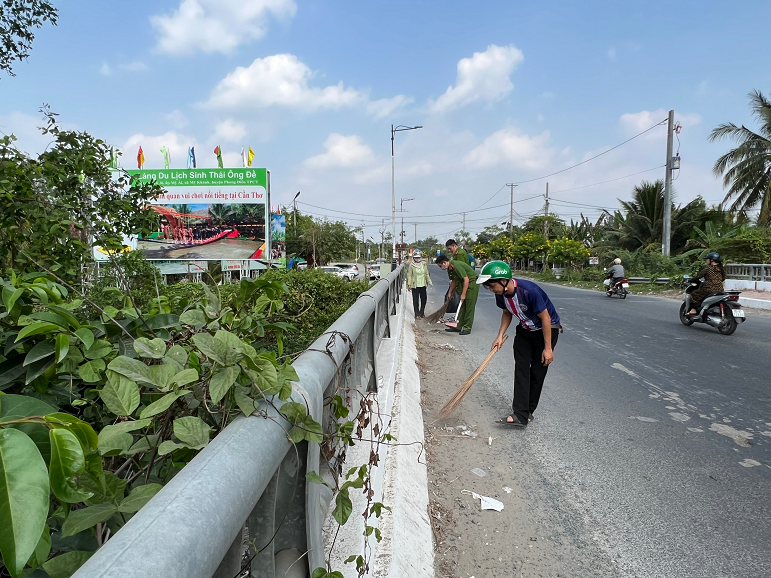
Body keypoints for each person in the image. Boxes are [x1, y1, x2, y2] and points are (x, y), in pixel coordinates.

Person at [477, 260, 561, 428]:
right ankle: (520, 414)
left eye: (492, 285)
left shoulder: (529, 291)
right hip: (524, 331)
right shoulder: (500, 295)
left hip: (546, 331)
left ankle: (528, 411)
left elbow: (546, 319)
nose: (491, 289)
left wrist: (548, 348)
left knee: (537, 372)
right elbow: (507, 312)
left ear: (503, 281)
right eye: (488, 286)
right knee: (521, 369)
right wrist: (499, 335)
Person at [435, 254, 478, 335]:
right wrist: (450, 292)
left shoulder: (456, 266)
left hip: (472, 283)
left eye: (440, 265)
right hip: (464, 283)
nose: (441, 267)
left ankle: (467, 328)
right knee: (461, 306)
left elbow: (466, 279)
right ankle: (457, 326)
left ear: (444, 263)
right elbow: (454, 280)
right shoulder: (450, 268)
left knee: (469, 306)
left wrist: (463, 294)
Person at [406, 250, 432, 318]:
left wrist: (429, 281)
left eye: (419, 257)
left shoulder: (423, 264)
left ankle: (422, 312)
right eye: (416, 257)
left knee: (424, 299)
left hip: (423, 284)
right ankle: (417, 314)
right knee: (415, 300)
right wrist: (409, 284)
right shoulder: (411, 265)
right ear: (414, 258)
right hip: (415, 285)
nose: (417, 259)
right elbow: (409, 275)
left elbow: (426, 274)